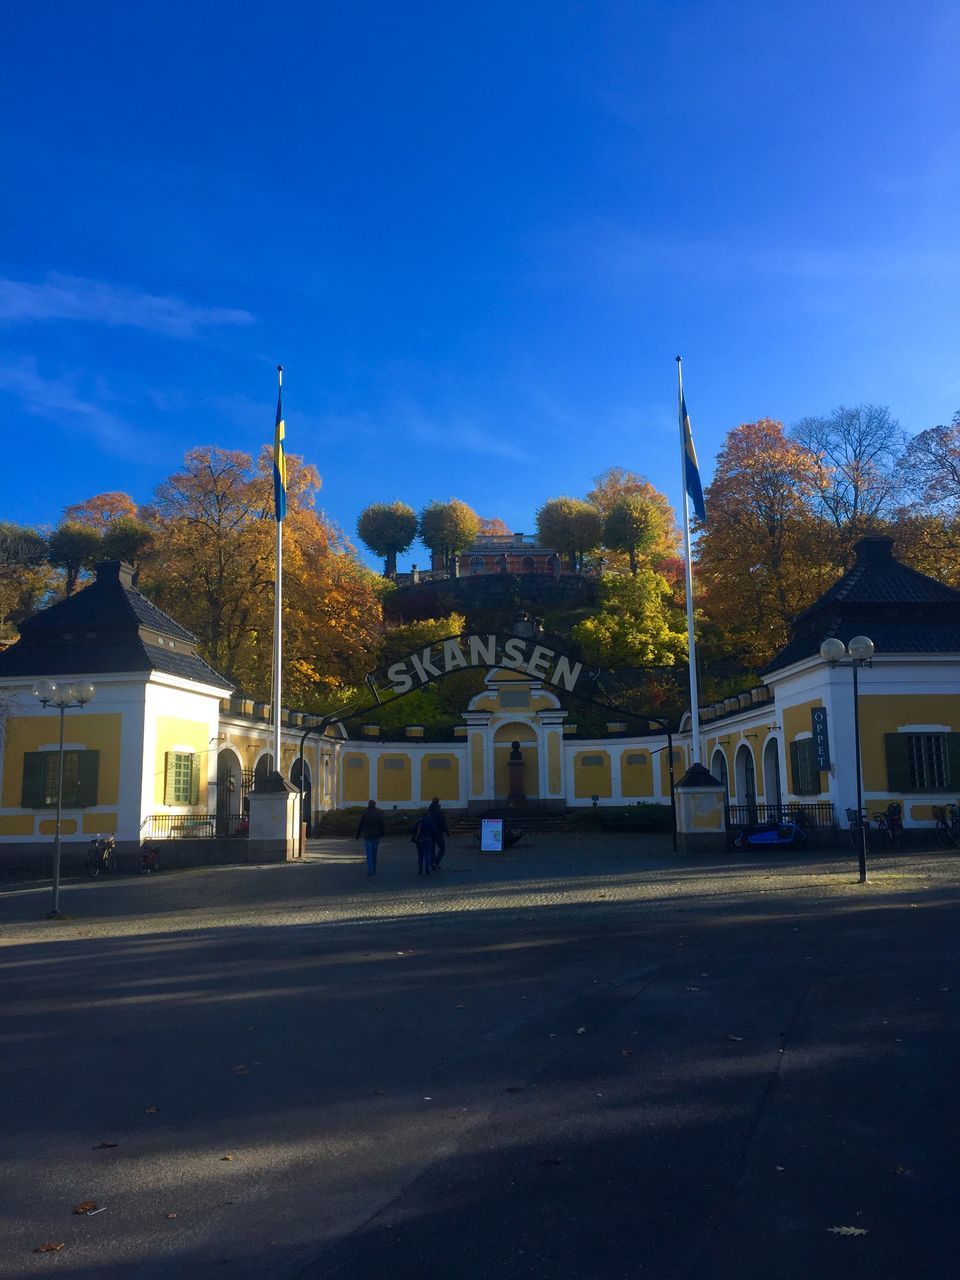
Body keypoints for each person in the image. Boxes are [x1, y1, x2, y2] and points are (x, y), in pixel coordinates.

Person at [355, 800, 385, 876]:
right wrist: (382, 833)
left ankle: (370, 870)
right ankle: (374, 868)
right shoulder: (378, 813)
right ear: (375, 805)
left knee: (369, 854)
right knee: (374, 853)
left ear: (368, 805)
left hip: (368, 836)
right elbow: (382, 825)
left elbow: (360, 825)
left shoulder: (365, 813)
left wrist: (357, 835)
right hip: (376, 836)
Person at [411, 808, 438, 876]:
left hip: (419, 840)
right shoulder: (430, 821)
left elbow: (413, 829)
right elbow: (435, 830)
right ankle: (427, 870)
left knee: (420, 855)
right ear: (428, 815)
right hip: (428, 839)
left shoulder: (419, 821)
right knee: (427, 855)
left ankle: (420, 870)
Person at [427, 797, 449, 868]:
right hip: (439, 832)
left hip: (430, 833)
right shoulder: (439, 811)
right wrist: (447, 832)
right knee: (442, 848)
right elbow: (443, 822)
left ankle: (432, 863)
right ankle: (436, 862)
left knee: (432, 849)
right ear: (438, 802)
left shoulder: (429, 811)